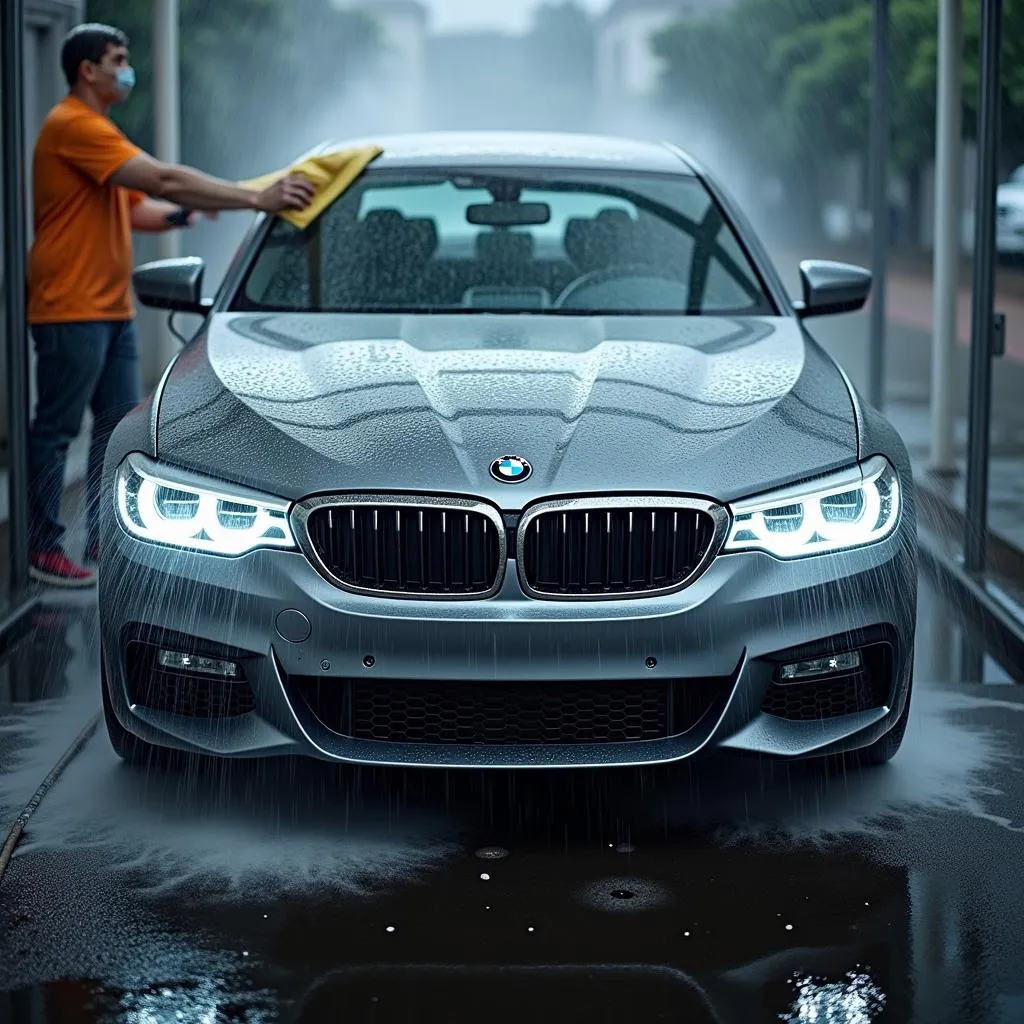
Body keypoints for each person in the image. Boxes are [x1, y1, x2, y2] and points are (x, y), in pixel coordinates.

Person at [26, 22, 315, 587]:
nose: (126, 69)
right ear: (88, 70)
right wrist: (254, 197)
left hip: (111, 309)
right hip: (71, 307)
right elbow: (162, 178)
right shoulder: (74, 126)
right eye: (118, 58)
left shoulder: (99, 131)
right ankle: (42, 549)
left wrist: (188, 214)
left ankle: (102, 545)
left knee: (111, 430)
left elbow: (138, 209)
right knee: (57, 429)